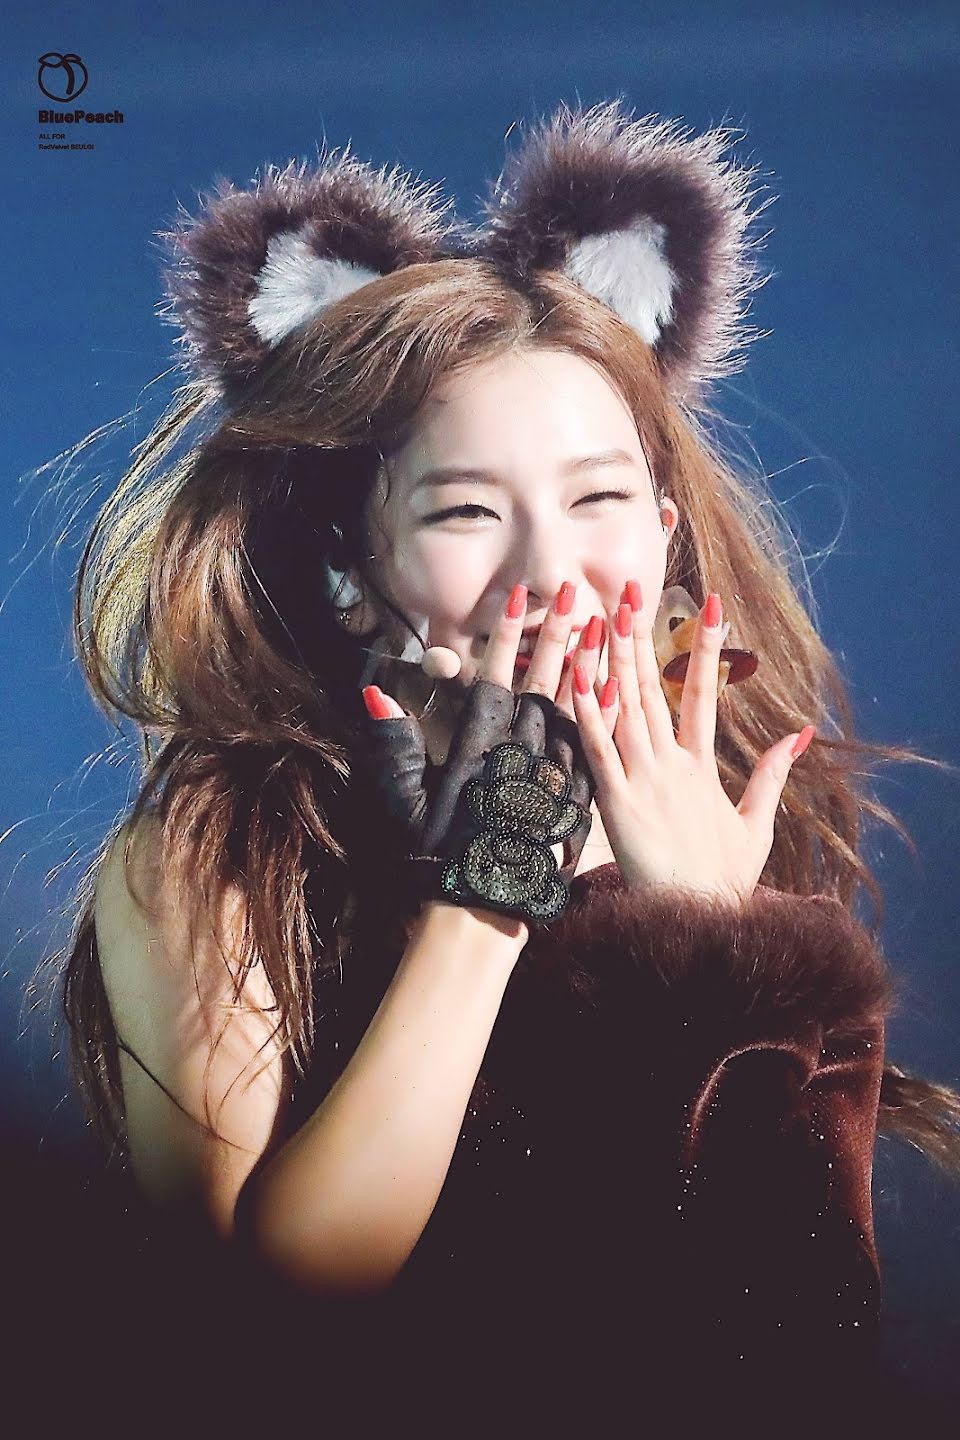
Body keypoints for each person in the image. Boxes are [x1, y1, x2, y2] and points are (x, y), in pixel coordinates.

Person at [44, 100, 960, 1430]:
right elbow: (264, 1314)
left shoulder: (730, 828)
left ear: (662, 529)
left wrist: (716, 938)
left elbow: (803, 1349)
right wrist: (487, 894)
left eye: (598, 499)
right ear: (352, 565)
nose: (554, 570)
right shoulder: (228, 846)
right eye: (468, 509)